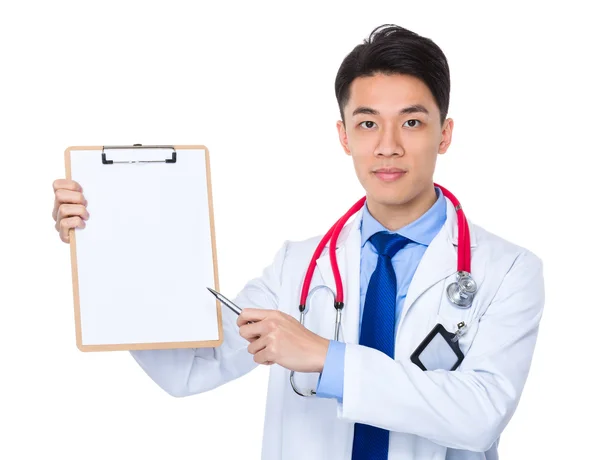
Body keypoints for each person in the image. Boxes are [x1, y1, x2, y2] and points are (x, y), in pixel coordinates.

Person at [51, 24, 545, 460]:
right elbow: (191, 368)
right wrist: (107, 250)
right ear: (344, 136)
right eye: (367, 122)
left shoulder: (507, 270)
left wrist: (326, 357)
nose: (388, 144)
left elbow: (481, 416)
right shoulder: (299, 266)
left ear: (445, 134)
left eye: (412, 122)